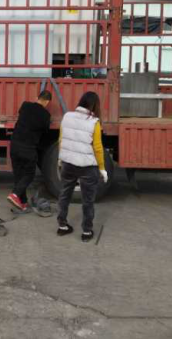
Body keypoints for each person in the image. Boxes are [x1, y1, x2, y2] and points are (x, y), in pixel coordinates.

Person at [56, 91, 108, 242]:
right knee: (88, 200)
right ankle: (86, 231)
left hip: (68, 164)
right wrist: (102, 168)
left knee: (64, 195)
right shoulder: (94, 122)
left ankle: (62, 226)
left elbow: (61, 139)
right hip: (87, 167)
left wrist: (60, 158)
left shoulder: (67, 116)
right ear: (94, 105)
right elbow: (97, 148)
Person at [7, 90, 52, 210]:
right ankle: (15, 194)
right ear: (47, 102)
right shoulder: (46, 116)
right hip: (28, 148)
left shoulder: (25, 105)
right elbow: (45, 131)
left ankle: (23, 203)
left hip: (14, 145)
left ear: (37, 97)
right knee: (29, 174)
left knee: (19, 175)